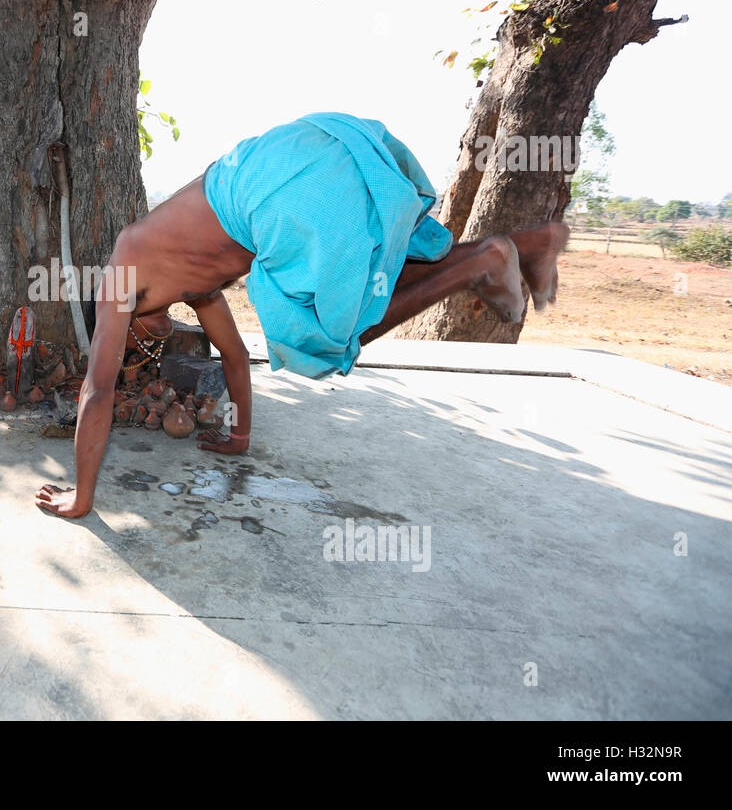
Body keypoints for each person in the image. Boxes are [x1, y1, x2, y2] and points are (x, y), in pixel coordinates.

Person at [36, 112, 568, 519]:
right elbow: (237, 356)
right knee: (370, 286)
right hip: (315, 152)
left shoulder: (119, 277)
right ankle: (523, 245)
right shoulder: (196, 286)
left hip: (274, 189)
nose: (151, 346)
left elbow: (97, 391)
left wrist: (81, 497)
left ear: (119, 322)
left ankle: (475, 267)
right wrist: (239, 434)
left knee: (319, 344)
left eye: (139, 345)